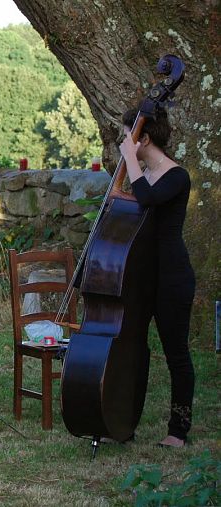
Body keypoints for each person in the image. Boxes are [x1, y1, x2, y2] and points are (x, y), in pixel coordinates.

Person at [119, 107, 195, 448]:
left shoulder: (176, 176)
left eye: (128, 135)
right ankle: (122, 420)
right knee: (133, 350)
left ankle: (178, 431)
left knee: (176, 353)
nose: (123, 142)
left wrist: (129, 160)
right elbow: (131, 204)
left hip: (172, 277)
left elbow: (147, 201)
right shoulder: (143, 174)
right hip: (142, 275)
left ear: (144, 138)